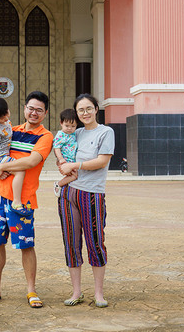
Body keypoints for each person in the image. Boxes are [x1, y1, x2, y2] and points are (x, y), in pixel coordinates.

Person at [0, 90, 54, 309]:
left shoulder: (46, 137)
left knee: (26, 245)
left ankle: (31, 290)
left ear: (45, 113)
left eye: (39, 110)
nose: (34, 113)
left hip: (23, 199)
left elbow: (31, 162)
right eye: (30, 108)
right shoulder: (10, 129)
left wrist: (0, 167)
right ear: (24, 108)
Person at [57, 93, 115, 308]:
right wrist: (62, 161)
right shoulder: (74, 132)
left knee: (95, 242)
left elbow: (101, 161)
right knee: (71, 243)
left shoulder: (106, 132)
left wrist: (74, 166)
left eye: (89, 108)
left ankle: (98, 293)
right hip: (69, 193)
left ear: (96, 109)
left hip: (91, 194)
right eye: (81, 110)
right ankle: (76, 292)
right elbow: (59, 148)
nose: (85, 113)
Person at [0, 97, 27, 212]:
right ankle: (17, 201)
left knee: (9, 172)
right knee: (20, 170)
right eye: (1, 118)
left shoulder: (5, 121)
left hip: (3, 155)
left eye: (6, 114)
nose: (5, 118)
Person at [53, 108, 80, 196]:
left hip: (72, 161)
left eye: (73, 126)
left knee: (73, 176)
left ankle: (64, 188)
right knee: (74, 176)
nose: (69, 128)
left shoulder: (74, 134)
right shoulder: (60, 135)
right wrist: (60, 159)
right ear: (61, 123)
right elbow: (56, 147)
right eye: (67, 125)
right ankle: (58, 184)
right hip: (65, 160)